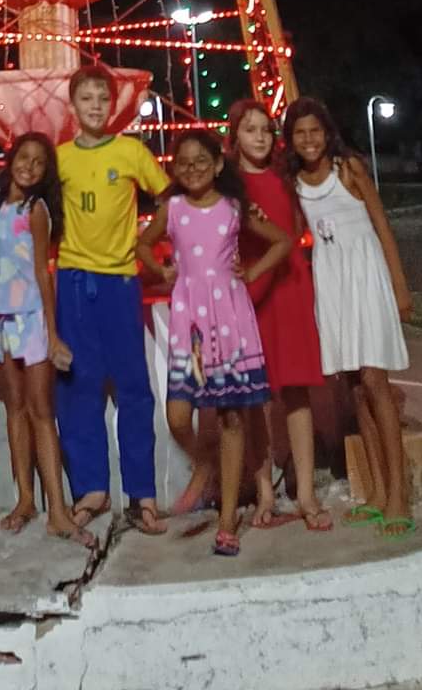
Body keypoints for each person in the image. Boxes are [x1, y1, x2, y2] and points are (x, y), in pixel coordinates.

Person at [137, 128, 290, 556]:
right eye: (183, 163)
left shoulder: (234, 208)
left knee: (232, 417)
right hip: (191, 320)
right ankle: (206, 466)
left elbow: (281, 240)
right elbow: (144, 245)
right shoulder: (173, 208)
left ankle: (226, 521)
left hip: (230, 315)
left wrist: (253, 275)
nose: (192, 170)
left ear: (218, 165)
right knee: (179, 415)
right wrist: (163, 270)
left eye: (201, 162)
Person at [283, 96, 415, 539]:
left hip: (366, 275)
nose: (308, 140)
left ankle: (400, 494)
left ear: (327, 132)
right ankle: (376, 492)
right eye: (300, 133)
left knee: (376, 382)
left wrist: (399, 285)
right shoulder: (296, 182)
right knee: (354, 390)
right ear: (292, 139)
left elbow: (382, 225)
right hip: (332, 281)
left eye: (315, 131)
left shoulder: (348, 170)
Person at [54, 67, 170, 535]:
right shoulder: (59, 158)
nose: (96, 105)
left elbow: (168, 200)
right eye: (87, 98)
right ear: (73, 106)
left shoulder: (131, 151)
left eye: (104, 97)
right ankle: (92, 489)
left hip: (121, 283)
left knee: (133, 389)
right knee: (78, 390)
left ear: (114, 105)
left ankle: (142, 492)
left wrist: (147, 244)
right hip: (74, 282)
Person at [0, 133, 94, 545]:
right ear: (10, 161)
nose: (29, 166)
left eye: (38, 162)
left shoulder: (37, 210)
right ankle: (25, 498)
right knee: (14, 409)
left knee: (41, 410)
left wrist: (52, 329)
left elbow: (44, 270)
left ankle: (58, 510)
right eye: (23, 158)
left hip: (30, 318)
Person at [227, 98, 331, 532]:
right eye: (250, 130)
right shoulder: (230, 187)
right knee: (256, 397)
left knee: (296, 393)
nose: (259, 137)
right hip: (252, 294)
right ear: (234, 136)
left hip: (288, 288)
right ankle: (264, 490)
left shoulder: (285, 180)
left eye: (266, 130)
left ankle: (305, 492)